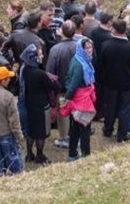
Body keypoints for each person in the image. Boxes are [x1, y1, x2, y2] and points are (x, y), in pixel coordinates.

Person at [100, 19, 130, 142]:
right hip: (128, 83)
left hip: (110, 82)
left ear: (113, 30)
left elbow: (102, 64)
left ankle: (108, 130)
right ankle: (122, 135)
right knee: (125, 109)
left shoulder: (105, 45)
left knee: (110, 108)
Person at [45, 21, 78, 150]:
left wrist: (53, 88)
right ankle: (76, 135)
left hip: (62, 89)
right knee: (76, 111)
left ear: (61, 31)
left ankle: (64, 137)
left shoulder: (56, 49)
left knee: (63, 113)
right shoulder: (80, 46)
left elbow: (50, 71)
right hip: (78, 87)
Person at [64, 38, 97, 159]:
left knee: (76, 128)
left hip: (78, 99)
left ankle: (72, 154)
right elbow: (73, 84)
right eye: (87, 48)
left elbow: (68, 79)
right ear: (81, 49)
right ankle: (86, 155)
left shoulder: (79, 59)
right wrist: (67, 99)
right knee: (84, 128)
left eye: (90, 47)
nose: (89, 50)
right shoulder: (80, 65)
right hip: (82, 101)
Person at [19, 43, 52, 164]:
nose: (42, 55)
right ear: (34, 57)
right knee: (40, 133)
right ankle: (40, 155)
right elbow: (53, 86)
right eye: (40, 53)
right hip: (41, 105)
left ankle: (29, 153)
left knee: (30, 131)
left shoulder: (23, 70)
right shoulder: (40, 73)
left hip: (28, 103)